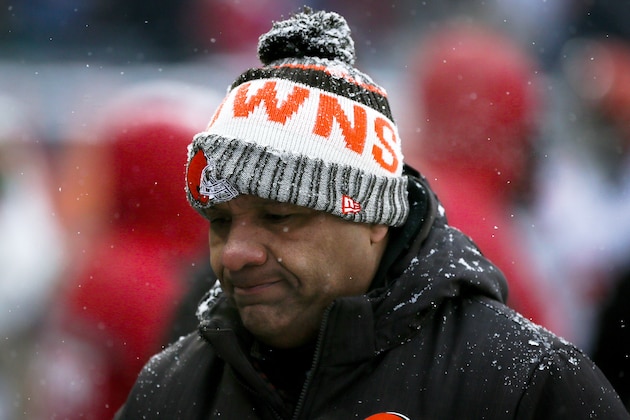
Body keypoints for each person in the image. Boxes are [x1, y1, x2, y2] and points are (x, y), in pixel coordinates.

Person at [115, 9, 629, 419]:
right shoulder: (175, 388)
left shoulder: (520, 381)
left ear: (373, 218)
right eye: (221, 221)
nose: (235, 253)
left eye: (278, 216)